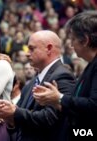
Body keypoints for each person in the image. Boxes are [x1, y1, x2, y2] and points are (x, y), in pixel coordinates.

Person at [0, 30, 76, 141]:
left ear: (49, 48)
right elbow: (18, 122)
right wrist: (8, 116)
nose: (27, 53)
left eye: (32, 49)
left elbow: (49, 119)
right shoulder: (30, 84)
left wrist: (14, 112)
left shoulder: (63, 76)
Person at [33, 11, 97, 139]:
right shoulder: (90, 65)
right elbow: (80, 106)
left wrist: (60, 98)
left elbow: (94, 105)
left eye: (73, 39)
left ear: (85, 40)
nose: (71, 44)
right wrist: (58, 103)